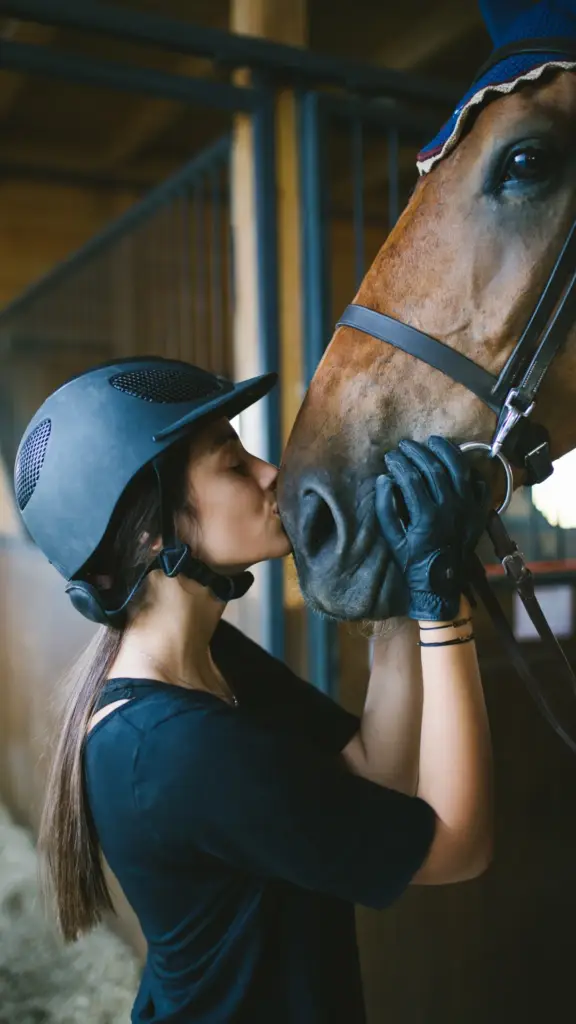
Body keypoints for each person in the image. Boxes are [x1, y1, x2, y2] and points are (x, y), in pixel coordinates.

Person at [14, 356, 493, 1024]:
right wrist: (443, 602)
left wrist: (398, 591)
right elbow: (456, 848)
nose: (271, 474)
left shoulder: (211, 661)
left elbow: (372, 769)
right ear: (152, 530)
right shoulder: (176, 750)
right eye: (233, 463)